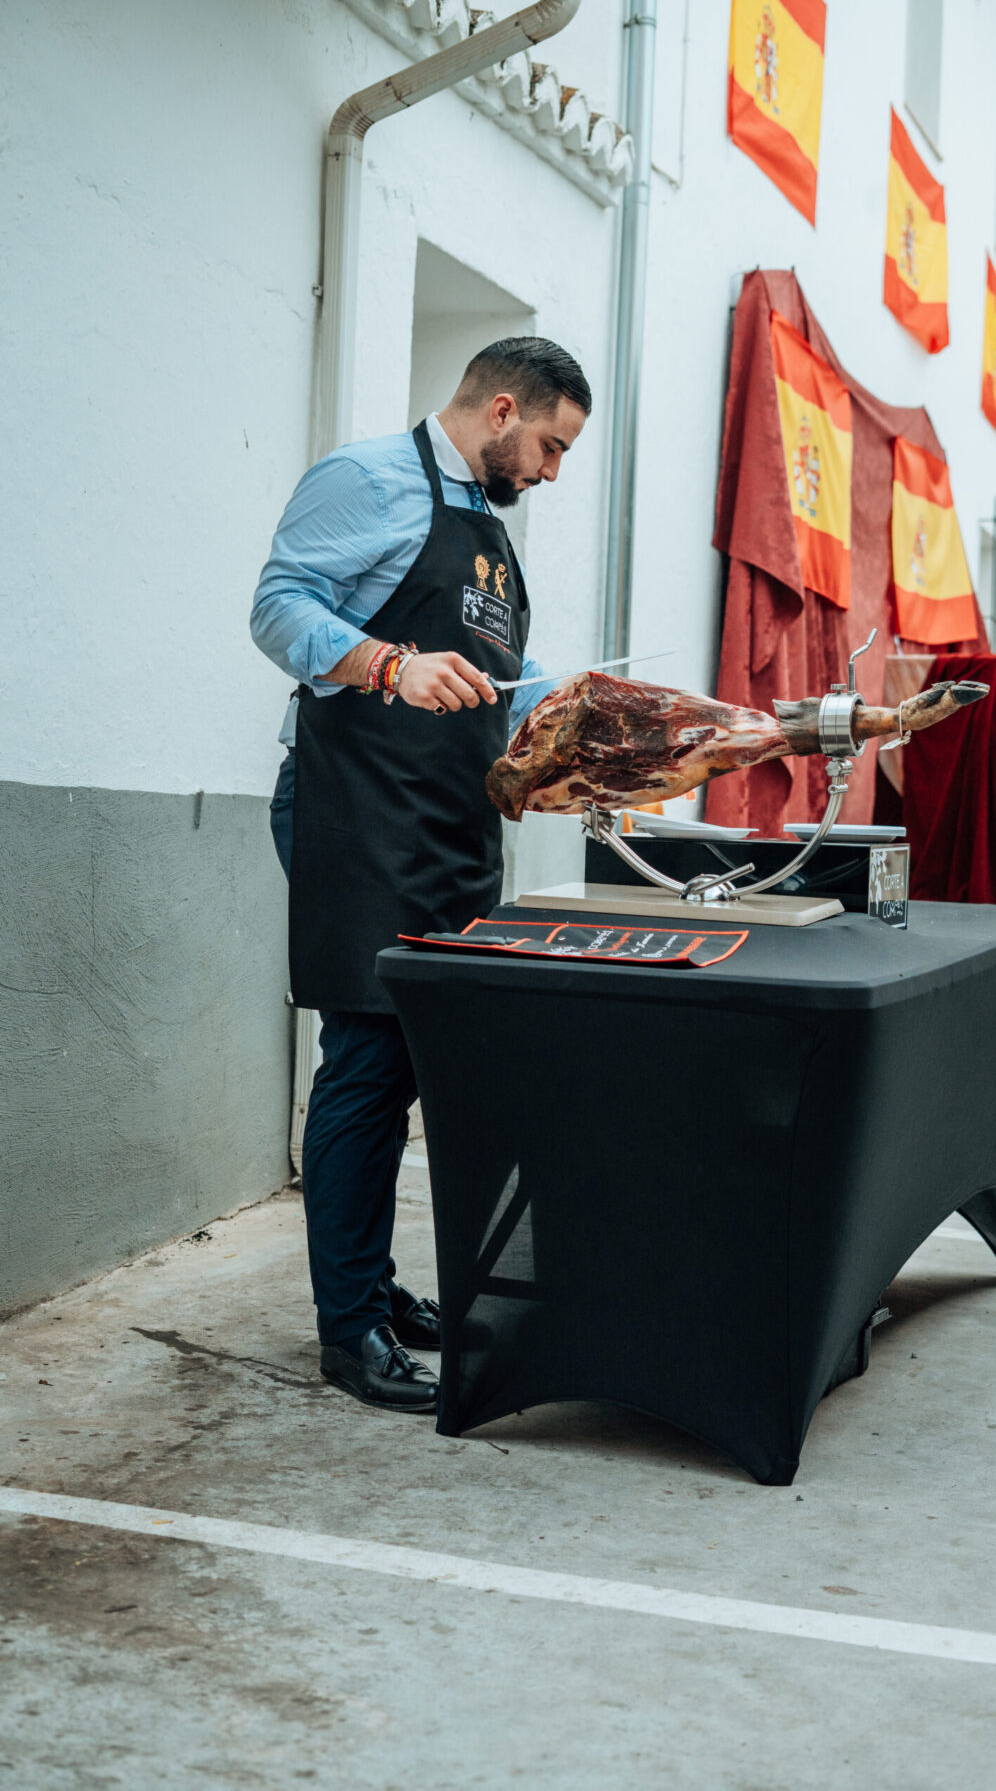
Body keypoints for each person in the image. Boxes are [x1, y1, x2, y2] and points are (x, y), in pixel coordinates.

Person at [251, 337, 592, 1411]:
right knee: (363, 1059)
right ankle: (347, 1329)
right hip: (357, 814)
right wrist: (389, 664)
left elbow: (504, 687)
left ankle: (375, 1287)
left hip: (446, 829)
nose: (550, 471)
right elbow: (277, 608)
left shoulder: (491, 532)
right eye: (549, 444)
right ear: (501, 409)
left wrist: (574, 740)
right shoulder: (368, 478)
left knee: (403, 1069)